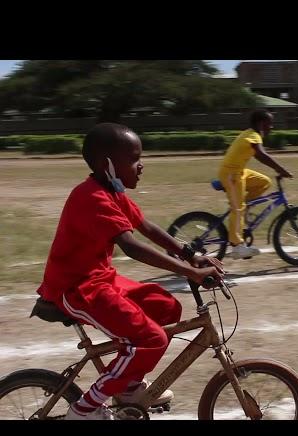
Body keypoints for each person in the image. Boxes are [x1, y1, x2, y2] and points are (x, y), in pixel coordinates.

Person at [35, 122, 225, 420]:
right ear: (107, 164)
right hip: (76, 288)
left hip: (101, 279)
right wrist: (189, 272)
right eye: (135, 159)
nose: (141, 166)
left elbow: (146, 227)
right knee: (152, 340)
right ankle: (84, 410)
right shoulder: (92, 197)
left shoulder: (112, 191)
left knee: (166, 308)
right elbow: (132, 246)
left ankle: (128, 387)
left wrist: (191, 256)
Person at [218, 110, 293, 259]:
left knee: (264, 182)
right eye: (269, 123)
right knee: (238, 209)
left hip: (239, 172)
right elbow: (261, 155)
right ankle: (237, 246)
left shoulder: (250, 133)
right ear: (260, 123)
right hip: (231, 174)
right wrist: (281, 169)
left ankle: (245, 207)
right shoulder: (253, 135)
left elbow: (260, 155)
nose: (271, 127)